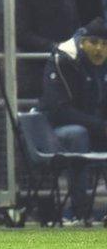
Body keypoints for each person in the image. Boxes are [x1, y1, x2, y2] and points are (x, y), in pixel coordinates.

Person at [38, 19, 107, 223]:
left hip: (91, 126)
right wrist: (101, 127)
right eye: (93, 42)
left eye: (104, 44)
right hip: (51, 129)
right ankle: (80, 211)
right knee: (78, 134)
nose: (99, 49)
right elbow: (59, 110)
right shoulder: (63, 59)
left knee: (83, 132)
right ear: (82, 42)